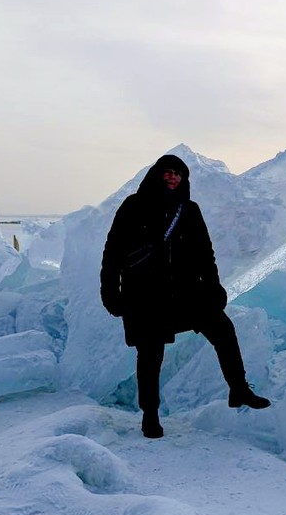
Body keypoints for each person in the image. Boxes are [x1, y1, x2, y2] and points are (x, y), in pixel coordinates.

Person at [101, 155, 270, 439]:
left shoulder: (189, 210)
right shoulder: (134, 206)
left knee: (223, 330)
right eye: (167, 172)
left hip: (186, 293)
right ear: (156, 174)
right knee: (151, 354)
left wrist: (214, 287)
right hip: (145, 296)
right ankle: (150, 415)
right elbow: (113, 251)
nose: (172, 178)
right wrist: (110, 292)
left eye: (178, 174)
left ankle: (238, 389)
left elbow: (205, 252)